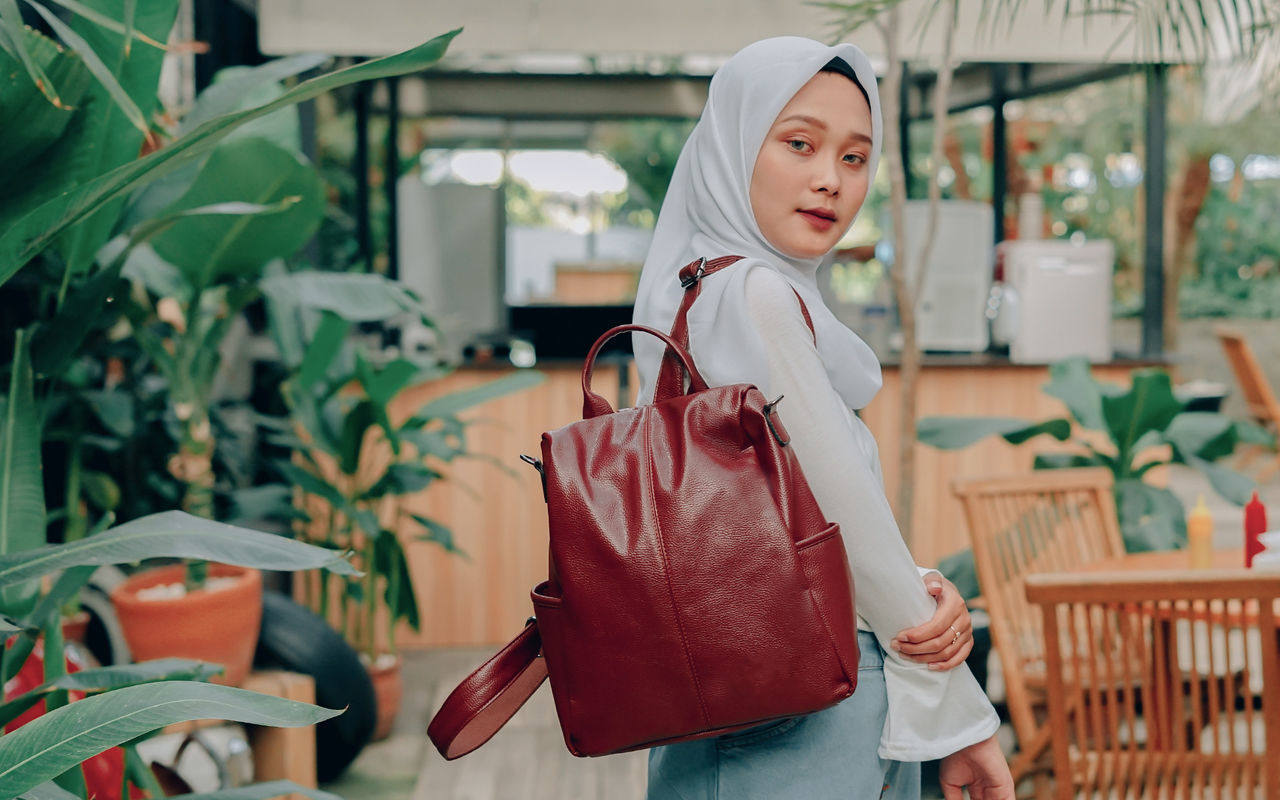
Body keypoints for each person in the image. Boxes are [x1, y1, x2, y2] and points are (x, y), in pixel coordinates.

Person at [631, 37, 1015, 799]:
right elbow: (844, 516)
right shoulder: (752, 296)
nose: (828, 180)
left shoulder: (698, 292)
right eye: (799, 143)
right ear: (734, 146)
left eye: (853, 158)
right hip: (807, 707)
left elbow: (783, 521)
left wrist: (914, 582)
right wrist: (964, 716)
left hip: (758, 695)